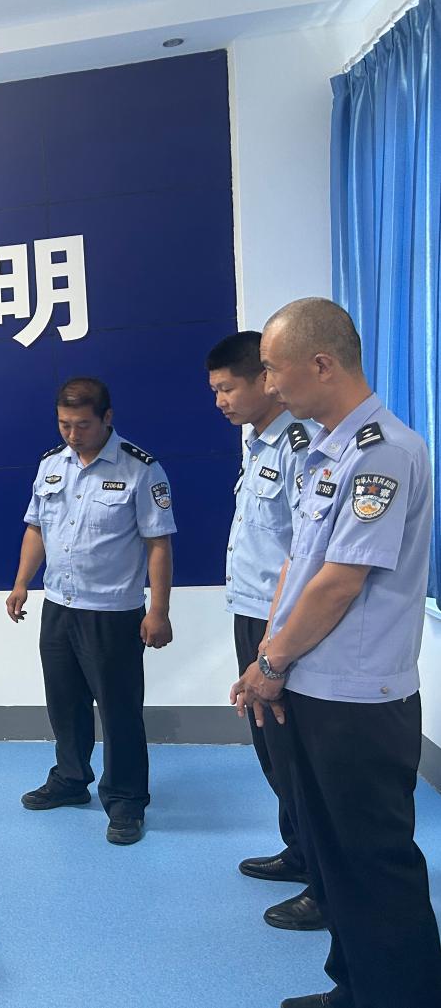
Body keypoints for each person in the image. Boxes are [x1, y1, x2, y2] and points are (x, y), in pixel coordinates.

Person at [233, 297, 441, 1008]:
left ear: (321, 364)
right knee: (333, 857)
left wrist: (270, 664)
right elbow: (297, 564)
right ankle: (354, 987)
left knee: (374, 861)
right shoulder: (324, 452)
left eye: (273, 368)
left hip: (358, 697)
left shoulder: (384, 453)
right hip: (312, 684)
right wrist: (271, 654)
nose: (268, 383)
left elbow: (340, 582)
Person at [6, 377, 175, 845]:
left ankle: (125, 799)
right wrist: (21, 583)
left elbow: (158, 544)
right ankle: (70, 778)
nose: (72, 434)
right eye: (64, 424)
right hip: (59, 605)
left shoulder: (141, 469)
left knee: (119, 711)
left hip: (112, 611)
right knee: (64, 703)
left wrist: (159, 610)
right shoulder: (51, 465)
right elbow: (36, 528)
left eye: (82, 424)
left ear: (107, 418)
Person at [207, 331, 325, 932]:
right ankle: (299, 851)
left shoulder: (303, 447)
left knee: (296, 754)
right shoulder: (258, 445)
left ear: (265, 381)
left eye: (229, 388)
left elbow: (306, 554)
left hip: (283, 620)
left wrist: (277, 644)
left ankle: (325, 883)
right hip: (251, 610)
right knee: (271, 749)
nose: (221, 401)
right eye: (215, 391)